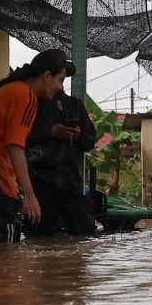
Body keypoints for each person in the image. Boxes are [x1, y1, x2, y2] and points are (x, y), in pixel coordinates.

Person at [0, 49, 70, 243]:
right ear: (46, 76)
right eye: (60, 80)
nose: (61, 87)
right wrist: (29, 194)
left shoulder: (12, 90)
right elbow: (15, 146)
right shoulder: (25, 96)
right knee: (7, 250)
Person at [24, 65, 98, 237]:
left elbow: (90, 141)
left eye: (63, 79)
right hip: (40, 182)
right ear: (47, 77)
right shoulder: (32, 105)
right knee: (37, 238)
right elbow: (21, 139)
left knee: (85, 232)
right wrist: (50, 132)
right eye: (59, 77)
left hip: (70, 182)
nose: (60, 83)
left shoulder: (75, 105)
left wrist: (78, 136)